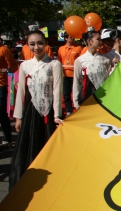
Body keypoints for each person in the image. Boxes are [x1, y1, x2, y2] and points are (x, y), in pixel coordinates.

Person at [9, 30, 63, 189]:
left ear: (46, 44)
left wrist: (57, 115)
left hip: (49, 113)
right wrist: (18, 116)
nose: (36, 47)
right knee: (28, 147)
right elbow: (21, 93)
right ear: (27, 46)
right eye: (32, 44)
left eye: (40, 43)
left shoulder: (54, 64)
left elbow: (57, 90)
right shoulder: (25, 65)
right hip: (31, 112)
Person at [73, 31, 112, 109]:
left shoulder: (105, 59)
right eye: (98, 39)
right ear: (89, 41)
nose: (101, 42)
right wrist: (76, 102)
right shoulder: (80, 60)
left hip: (104, 97)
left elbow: (109, 80)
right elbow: (76, 82)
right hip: (88, 98)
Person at [57, 33, 82, 117]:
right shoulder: (61, 49)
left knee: (77, 93)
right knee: (66, 94)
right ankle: (68, 111)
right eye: (70, 37)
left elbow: (81, 61)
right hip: (65, 75)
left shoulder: (78, 48)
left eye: (73, 37)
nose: (72, 39)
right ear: (66, 38)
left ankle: (78, 109)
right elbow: (59, 61)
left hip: (75, 75)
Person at [0, 38, 18, 146]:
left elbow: (13, 65)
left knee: (1, 113)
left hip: (1, 85)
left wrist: (6, 70)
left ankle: (7, 138)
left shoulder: (4, 50)